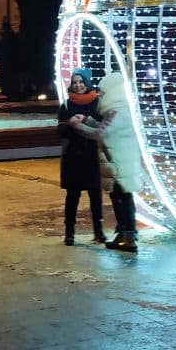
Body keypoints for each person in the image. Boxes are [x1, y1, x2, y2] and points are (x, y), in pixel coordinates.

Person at [70, 71, 142, 251]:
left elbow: (99, 133)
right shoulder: (118, 110)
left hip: (120, 165)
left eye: (103, 92)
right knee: (120, 198)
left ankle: (129, 236)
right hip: (119, 163)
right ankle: (123, 234)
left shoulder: (119, 111)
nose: (101, 95)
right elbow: (104, 127)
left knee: (123, 200)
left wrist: (77, 125)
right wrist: (87, 119)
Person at [57, 67, 106, 246]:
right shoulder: (67, 104)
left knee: (95, 194)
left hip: (92, 154)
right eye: (75, 82)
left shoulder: (98, 102)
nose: (78, 85)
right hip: (73, 155)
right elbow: (59, 130)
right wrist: (69, 123)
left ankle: (98, 231)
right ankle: (69, 232)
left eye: (81, 82)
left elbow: (104, 127)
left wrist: (86, 119)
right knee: (73, 195)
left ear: (87, 83)